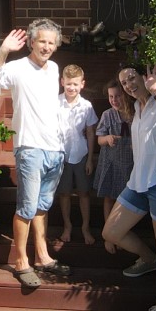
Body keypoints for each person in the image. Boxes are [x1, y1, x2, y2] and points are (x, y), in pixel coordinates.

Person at [101, 65, 156, 311]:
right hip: (138, 182)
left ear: (143, 77)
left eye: (131, 78)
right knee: (111, 232)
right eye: (123, 82)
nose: (128, 84)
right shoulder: (137, 109)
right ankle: (149, 260)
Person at [0, 21, 71, 289]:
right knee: (26, 207)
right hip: (30, 147)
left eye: (51, 42)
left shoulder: (55, 69)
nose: (46, 46)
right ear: (32, 42)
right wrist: (3, 50)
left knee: (42, 206)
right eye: (42, 41)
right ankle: (22, 261)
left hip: (54, 148)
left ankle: (43, 256)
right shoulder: (17, 68)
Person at [52, 64, 98, 249]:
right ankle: (67, 226)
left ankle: (85, 227)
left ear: (82, 84)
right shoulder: (55, 102)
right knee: (63, 193)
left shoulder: (86, 106)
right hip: (61, 155)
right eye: (68, 83)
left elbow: (90, 132)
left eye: (75, 84)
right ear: (62, 82)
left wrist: (89, 159)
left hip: (80, 154)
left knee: (84, 193)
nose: (72, 88)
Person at [91, 74, 135, 254]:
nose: (114, 100)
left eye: (117, 96)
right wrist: (107, 138)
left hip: (130, 163)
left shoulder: (134, 112)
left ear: (125, 95)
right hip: (111, 162)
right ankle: (108, 236)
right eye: (110, 97)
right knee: (109, 197)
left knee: (126, 201)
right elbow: (99, 139)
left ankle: (123, 232)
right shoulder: (107, 115)